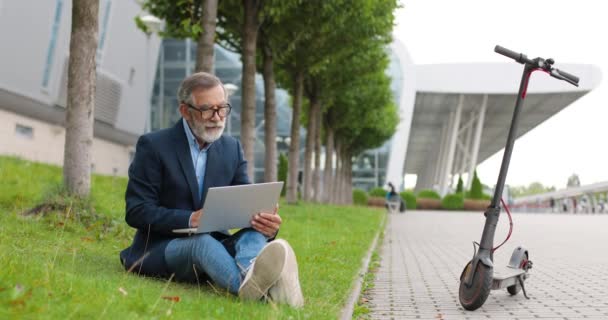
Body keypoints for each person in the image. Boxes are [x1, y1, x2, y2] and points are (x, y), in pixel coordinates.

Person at [119, 72, 303, 307]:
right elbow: (136, 211)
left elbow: (244, 202)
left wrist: (265, 221)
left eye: (222, 109)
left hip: (217, 246)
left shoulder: (231, 148)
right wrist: (190, 219)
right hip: (162, 246)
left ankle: (250, 276)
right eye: (208, 109)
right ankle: (263, 289)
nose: (217, 118)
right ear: (185, 111)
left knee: (255, 235)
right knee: (202, 242)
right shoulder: (154, 146)